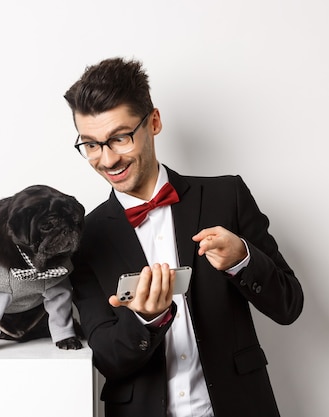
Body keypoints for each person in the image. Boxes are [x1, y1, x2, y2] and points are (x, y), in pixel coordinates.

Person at [64, 57, 304, 417]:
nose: (107, 158)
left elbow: (289, 306)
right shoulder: (84, 237)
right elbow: (107, 359)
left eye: (120, 138)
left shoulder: (227, 196)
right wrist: (145, 319)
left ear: (154, 122)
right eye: (91, 145)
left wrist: (243, 258)